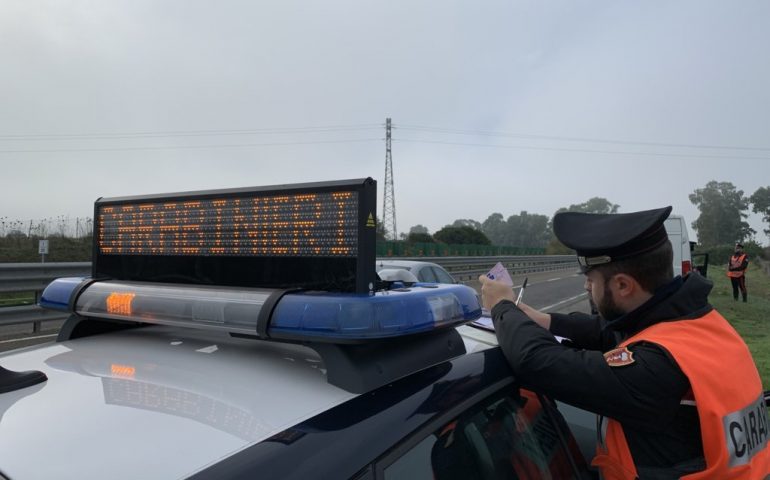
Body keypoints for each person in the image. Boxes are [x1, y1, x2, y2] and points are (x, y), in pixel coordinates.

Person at [479, 206, 769, 479]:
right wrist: (545, 320)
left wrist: (502, 307)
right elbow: (611, 330)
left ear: (622, 285)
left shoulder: (654, 369)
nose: (586, 286)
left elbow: (538, 362)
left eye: (590, 280)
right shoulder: (700, 323)